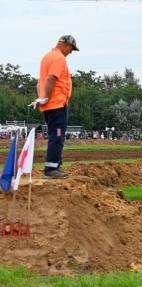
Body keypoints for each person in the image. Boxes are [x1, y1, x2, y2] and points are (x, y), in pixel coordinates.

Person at [35, 35, 79, 179]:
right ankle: (51, 168)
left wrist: (42, 98)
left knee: (56, 134)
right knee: (58, 135)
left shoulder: (47, 57)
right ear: (63, 44)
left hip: (50, 105)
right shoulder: (59, 58)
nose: (71, 52)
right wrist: (46, 97)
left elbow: (39, 82)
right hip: (57, 104)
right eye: (71, 48)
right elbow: (51, 78)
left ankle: (55, 165)